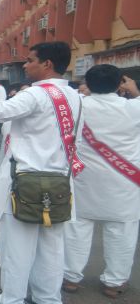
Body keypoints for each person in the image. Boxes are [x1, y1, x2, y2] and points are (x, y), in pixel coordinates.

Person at [0, 42, 83, 304]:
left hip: (25, 181)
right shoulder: (75, 96)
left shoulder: (35, 95)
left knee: (16, 247)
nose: (25, 65)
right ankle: (47, 299)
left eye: (30, 60)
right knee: (51, 249)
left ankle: (12, 299)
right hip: (59, 181)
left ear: (47, 64)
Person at [63, 66, 140, 299]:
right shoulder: (134, 107)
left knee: (77, 227)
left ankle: (70, 278)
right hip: (125, 181)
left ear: (87, 82)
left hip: (84, 177)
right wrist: (135, 91)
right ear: (120, 84)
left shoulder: (78, 105)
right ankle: (114, 283)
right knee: (122, 231)